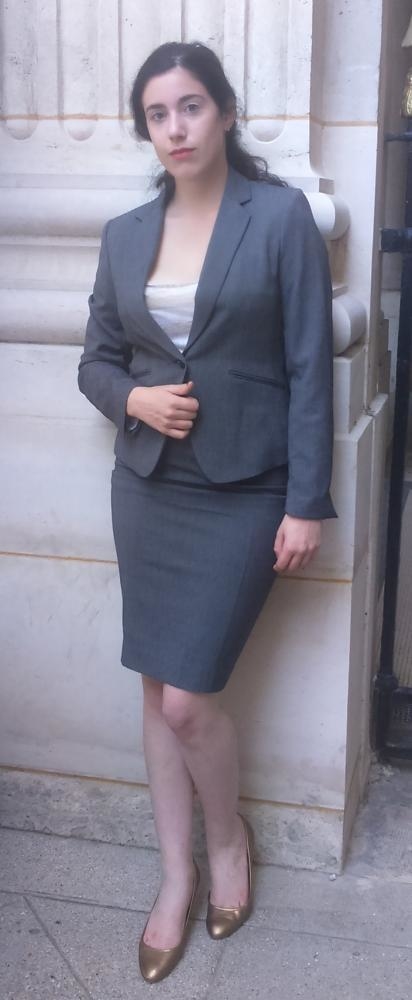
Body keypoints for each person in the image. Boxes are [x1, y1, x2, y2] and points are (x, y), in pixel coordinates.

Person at [78, 40, 336, 983]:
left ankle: (229, 842)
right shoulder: (123, 235)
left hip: (246, 489)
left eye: (191, 106)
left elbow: (310, 365)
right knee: (157, 688)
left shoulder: (279, 217)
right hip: (149, 487)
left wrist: (307, 502)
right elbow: (95, 361)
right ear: (146, 129)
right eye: (158, 114)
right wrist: (134, 400)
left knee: (189, 699)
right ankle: (176, 877)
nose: (176, 127)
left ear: (224, 112)